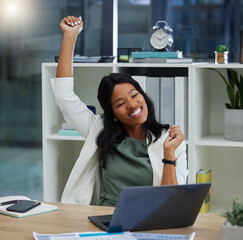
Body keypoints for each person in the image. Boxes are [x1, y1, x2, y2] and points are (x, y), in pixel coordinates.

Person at [52, 16, 189, 206]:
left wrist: (169, 154)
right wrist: (70, 36)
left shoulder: (170, 141)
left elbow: (170, 203)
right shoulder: (99, 131)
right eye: (120, 103)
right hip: (104, 219)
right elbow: (63, 96)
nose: (132, 105)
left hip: (147, 218)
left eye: (134, 95)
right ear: (112, 113)